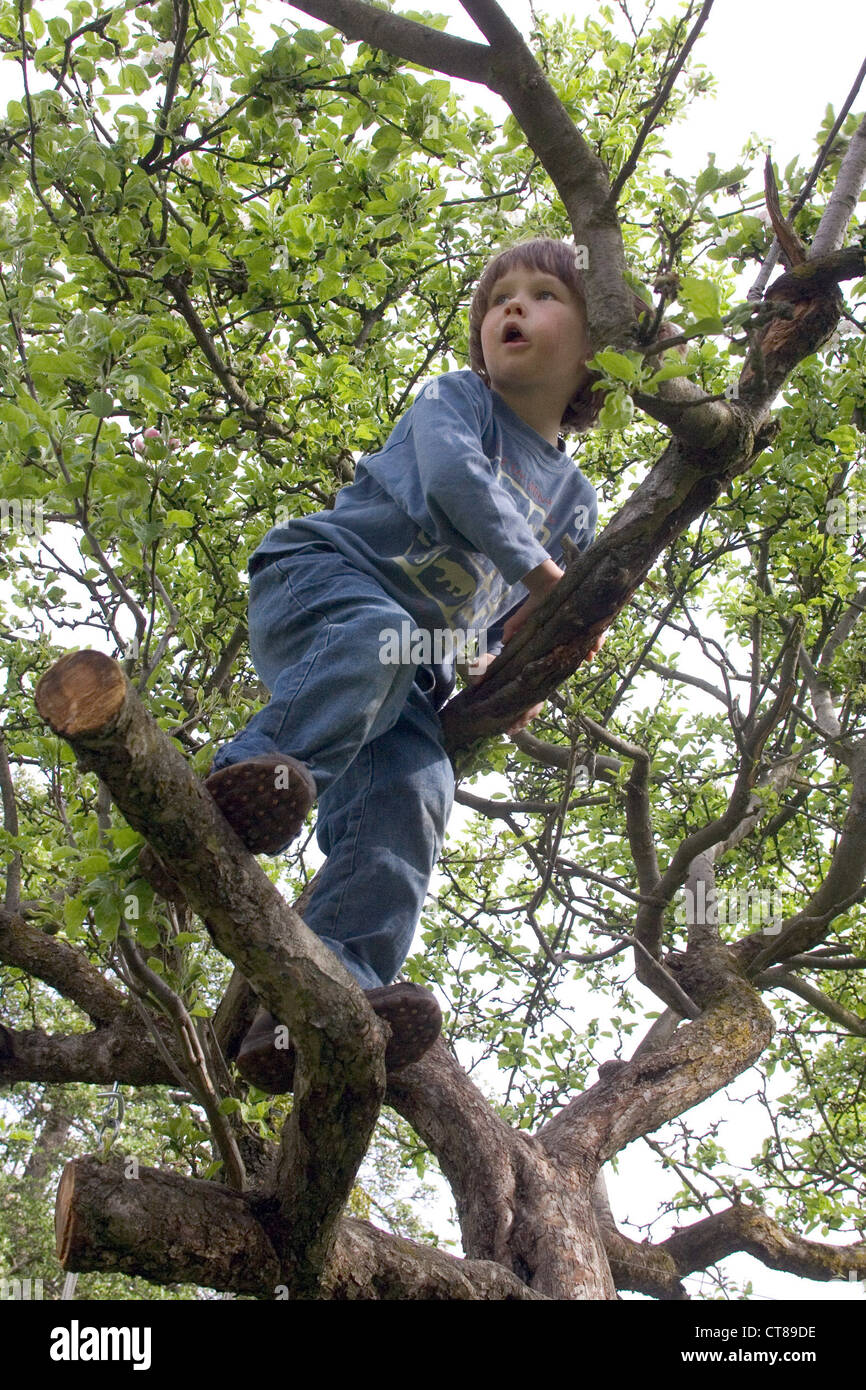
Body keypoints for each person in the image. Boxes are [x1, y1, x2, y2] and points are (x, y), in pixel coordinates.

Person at [205, 237, 603, 1090]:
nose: (512, 309)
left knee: (414, 800)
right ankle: (242, 786)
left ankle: (326, 996)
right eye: (500, 297)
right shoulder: (457, 400)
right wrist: (543, 575)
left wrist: (517, 666)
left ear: (594, 346)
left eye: (541, 296)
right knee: (376, 635)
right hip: (327, 582)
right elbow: (459, 482)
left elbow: (527, 626)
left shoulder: (578, 504)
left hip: (415, 675)